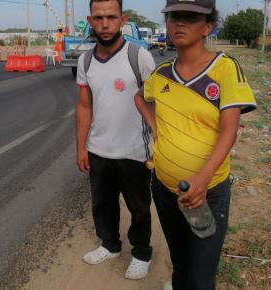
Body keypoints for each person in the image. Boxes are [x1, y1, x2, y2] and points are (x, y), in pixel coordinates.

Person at [134, 1, 257, 289]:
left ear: (208, 27)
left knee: (201, 277)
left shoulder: (224, 68)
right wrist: (155, 128)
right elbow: (140, 97)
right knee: (180, 265)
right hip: (164, 189)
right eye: (173, 17)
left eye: (190, 17)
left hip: (207, 192)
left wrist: (201, 180)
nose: (178, 23)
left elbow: (229, 130)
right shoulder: (162, 72)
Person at [75, 0, 156, 280]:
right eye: (99, 18)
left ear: (123, 19)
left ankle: (142, 252)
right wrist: (81, 147)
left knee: (139, 207)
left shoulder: (139, 56)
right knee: (102, 204)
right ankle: (109, 245)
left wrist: (159, 141)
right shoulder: (85, 60)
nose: (105, 24)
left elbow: (156, 102)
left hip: (135, 151)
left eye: (111, 17)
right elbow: (84, 106)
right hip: (98, 150)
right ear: (90, 20)